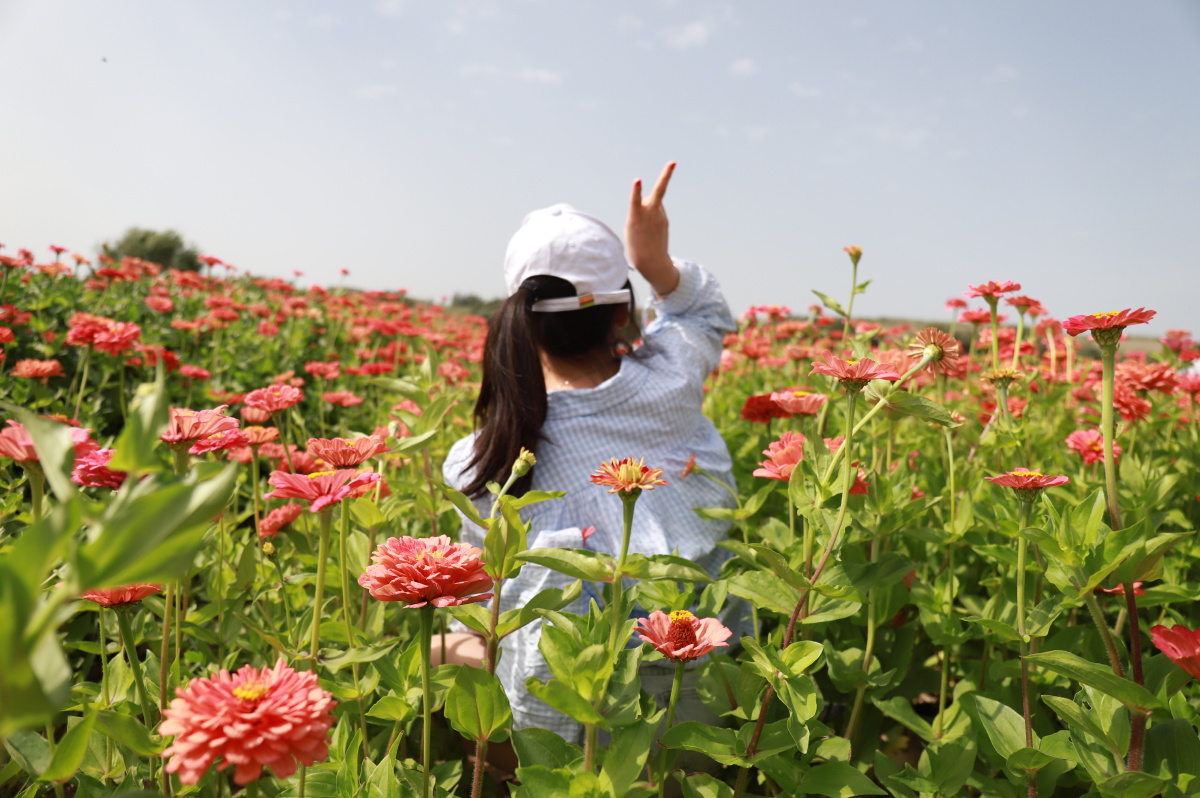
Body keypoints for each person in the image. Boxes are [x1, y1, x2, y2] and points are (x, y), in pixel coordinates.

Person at [441, 162, 738, 742]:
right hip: (711, 705)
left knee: (445, 646)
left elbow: (482, 608)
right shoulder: (672, 381)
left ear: (521, 321)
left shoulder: (485, 460)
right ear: (621, 311)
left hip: (566, 732)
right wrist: (655, 262)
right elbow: (700, 312)